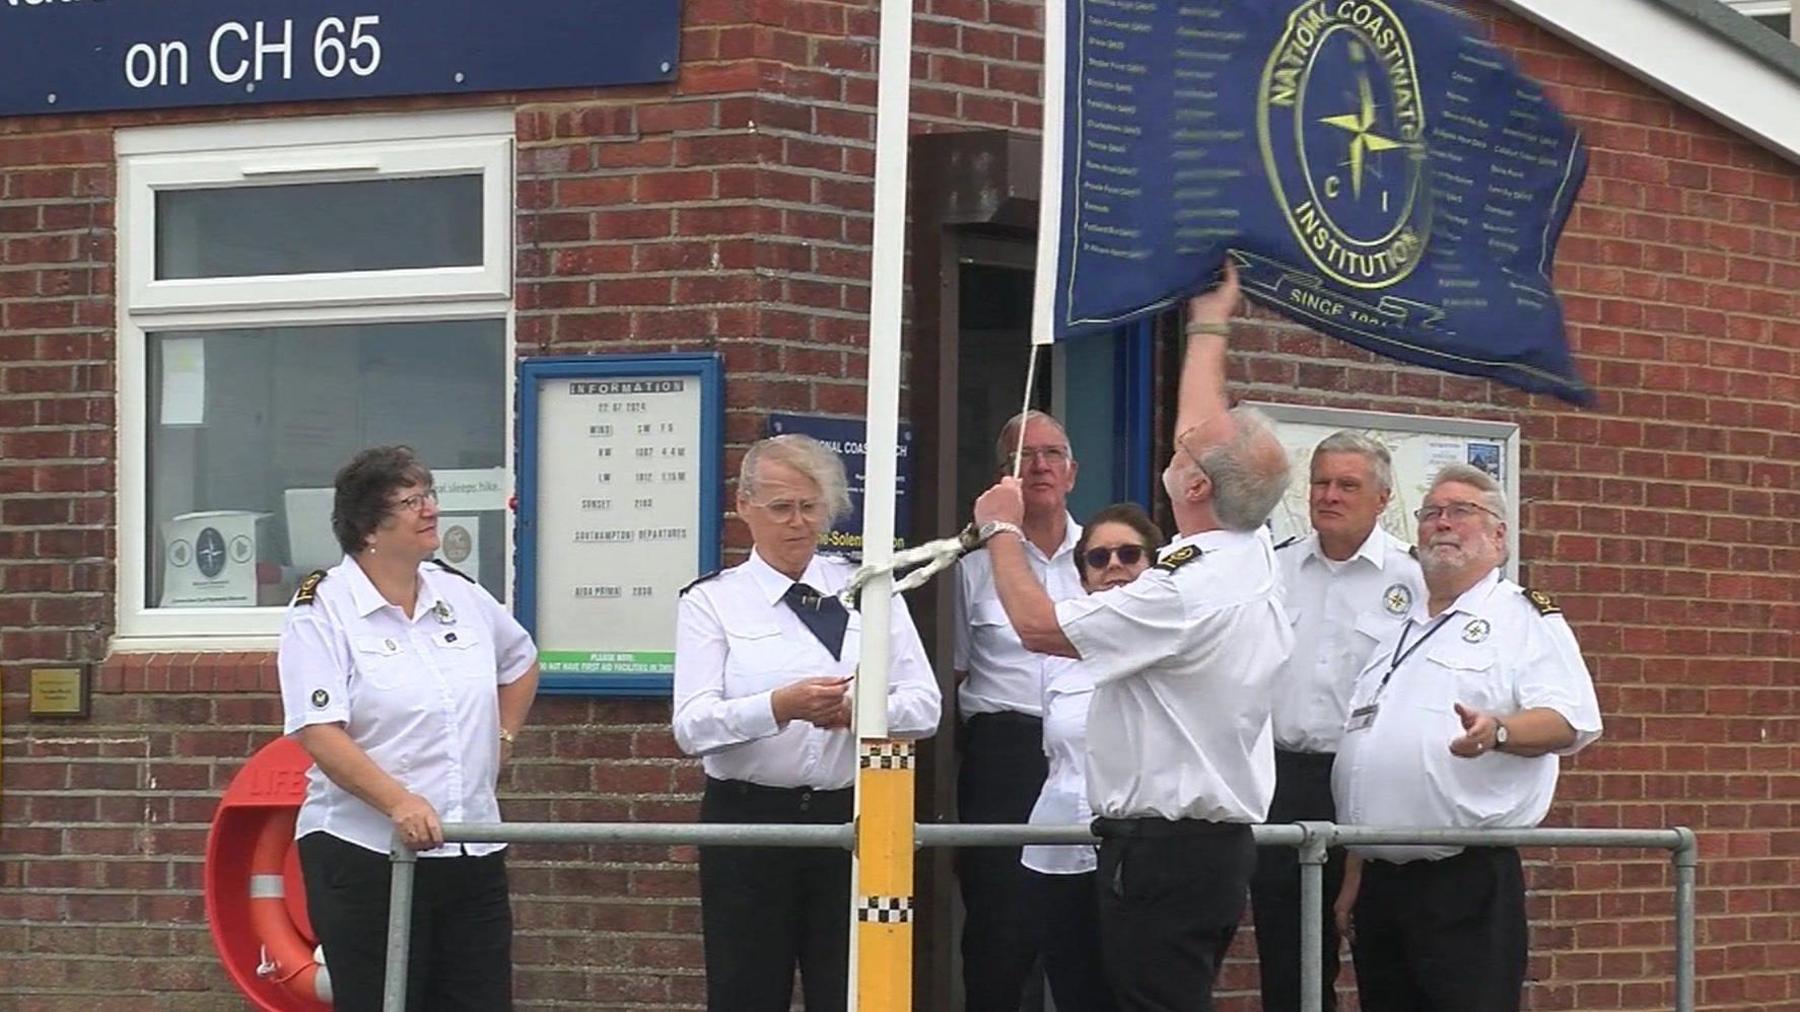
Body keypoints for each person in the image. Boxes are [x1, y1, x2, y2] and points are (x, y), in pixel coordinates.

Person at [971, 260, 1293, 1012]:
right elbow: (1201, 431)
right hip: (1200, 849)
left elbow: (1038, 625)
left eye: (1183, 455)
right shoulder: (1251, 545)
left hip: (1165, 851)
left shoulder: (1180, 593)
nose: (1173, 452)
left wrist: (1001, 529)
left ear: (1200, 486)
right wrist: (1211, 322)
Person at [672, 433, 941, 1012]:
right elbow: (691, 727)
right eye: (781, 508)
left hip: (852, 817)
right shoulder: (713, 602)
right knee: (747, 989)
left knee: (850, 988)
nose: (798, 523)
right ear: (744, 507)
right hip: (747, 821)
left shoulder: (870, 590)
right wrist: (779, 707)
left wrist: (859, 714)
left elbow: (925, 706)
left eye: (811, 507)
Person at [277, 445, 540, 1012]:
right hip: (367, 852)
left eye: (431, 496)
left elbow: (520, 662)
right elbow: (318, 730)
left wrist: (503, 741)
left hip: (469, 847)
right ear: (370, 525)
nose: (431, 510)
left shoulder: (459, 593)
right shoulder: (321, 609)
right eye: (412, 501)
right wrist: (398, 803)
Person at [1331, 463, 1603, 1012]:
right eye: (1430, 514)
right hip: (1381, 884)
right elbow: (1369, 755)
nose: (1442, 524)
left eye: (1461, 512)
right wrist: (1356, 867)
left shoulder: (1523, 617)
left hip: (1463, 877)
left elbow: (1569, 719)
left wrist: (1497, 731)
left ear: (1499, 537)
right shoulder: (1397, 630)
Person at [1251, 432, 1425, 1012]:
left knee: (1377, 939)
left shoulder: (1415, 580)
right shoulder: (1274, 570)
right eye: (1321, 482)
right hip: (1285, 778)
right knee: (1287, 953)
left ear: (1382, 497)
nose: (1329, 495)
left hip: (1373, 784)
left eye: (1347, 485)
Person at [951, 409, 1087, 1011]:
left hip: (1091, 754)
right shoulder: (973, 566)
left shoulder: (1111, 556)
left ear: (1072, 471)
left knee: (1089, 925)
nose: (1039, 467)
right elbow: (952, 671)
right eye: (1022, 457)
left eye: (1051, 453)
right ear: (999, 479)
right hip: (1004, 755)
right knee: (1001, 929)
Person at [1021, 502, 1163, 1012]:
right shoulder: (1057, 666)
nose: (1114, 567)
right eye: (1098, 559)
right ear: (1083, 577)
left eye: (1130, 554)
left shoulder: (1173, 649)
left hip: (1138, 857)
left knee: (1137, 995)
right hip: (1057, 854)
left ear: (1155, 563)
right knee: (1074, 992)